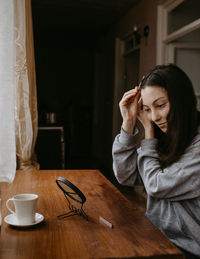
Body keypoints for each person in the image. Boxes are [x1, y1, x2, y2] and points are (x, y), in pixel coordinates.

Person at [112, 64, 200, 258]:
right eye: (146, 109)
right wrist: (128, 124)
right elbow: (126, 176)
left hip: (188, 249)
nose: (154, 117)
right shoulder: (167, 136)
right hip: (155, 236)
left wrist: (149, 137)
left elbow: (156, 185)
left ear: (181, 100)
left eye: (160, 105)